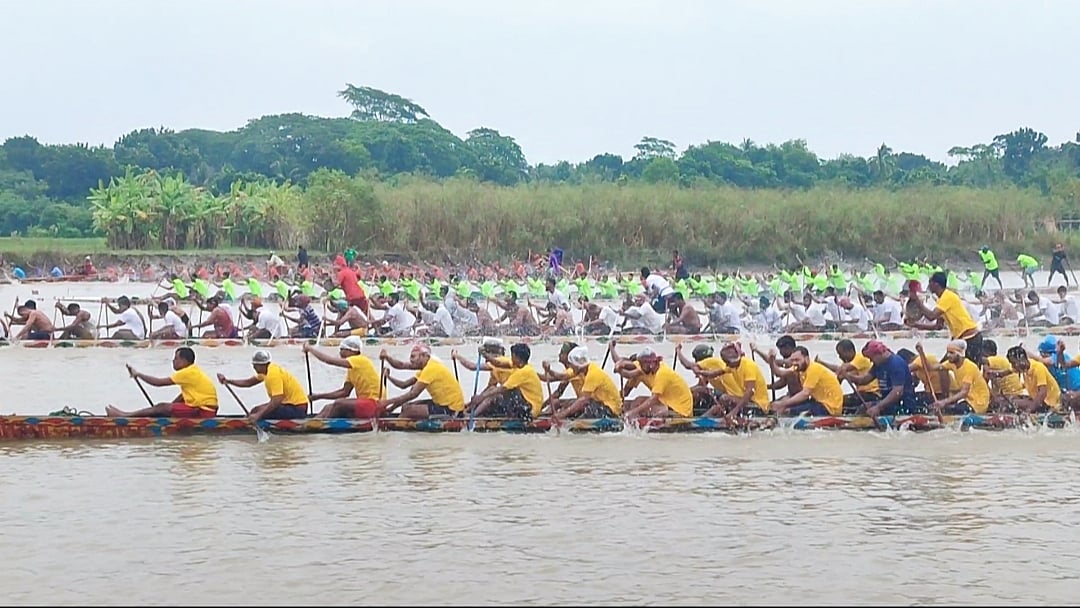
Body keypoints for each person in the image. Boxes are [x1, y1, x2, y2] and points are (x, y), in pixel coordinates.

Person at [105, 347, 218, 418]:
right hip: (204, 408)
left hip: (203, 411)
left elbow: (158, 383)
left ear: (184, 361)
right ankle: (127, 414)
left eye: (176, 358)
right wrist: (169, 408)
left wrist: (138, 374)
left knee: (162, 407)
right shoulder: (193, 371)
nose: (173, 361)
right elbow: (184, 395)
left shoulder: (188, 372)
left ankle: (125, 416)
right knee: (163, 408)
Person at [217, 350, 310, 422]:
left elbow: (276, 401)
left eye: (255, 365)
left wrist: (259, 415)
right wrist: (228, 381)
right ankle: (248, 420)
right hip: (288, 405)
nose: (254, 367)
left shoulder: (273, 374)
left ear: (262, 365)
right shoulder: (267, 371)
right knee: (255, 410)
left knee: (258, 412)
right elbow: (248, 383)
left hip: (297, 409)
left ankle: (250, 423)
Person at [379, 344, 466, 419]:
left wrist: (388, 402)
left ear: (425, 356)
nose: (411, 360)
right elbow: (403, 382)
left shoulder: (431, 368)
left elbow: (413, 394)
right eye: (410, 357)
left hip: (452, 409)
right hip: (441, 403)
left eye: (413, 356)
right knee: (405, 407)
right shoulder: (425, 368)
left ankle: (395, 429)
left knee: (409, 411)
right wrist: (387, 359)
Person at [911, 271, 982, 363]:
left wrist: (917, 300)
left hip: (970, 338)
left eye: (930, 282)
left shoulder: (947, 296)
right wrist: (916, 325)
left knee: (964, 370)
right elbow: (938, 326)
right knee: (943, 366)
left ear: (936, 284)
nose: (928, 285)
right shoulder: (941, 300)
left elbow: (931, 316)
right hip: (961, 340)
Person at [304, 338, 383, 418]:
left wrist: (310, 349)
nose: (340, 353)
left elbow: (329, 360)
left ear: (352, 351)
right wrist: (318, 396)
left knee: (339, 403)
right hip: (365, 404)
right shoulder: (352, 369)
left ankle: (319, 426)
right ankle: (313, 423)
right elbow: (344, 392)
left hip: (375, 403)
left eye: (342, 349)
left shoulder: (360, 360)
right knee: (328, 407)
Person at [469, 343, 545, 419]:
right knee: (494, 394)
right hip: (527, 404)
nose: (511, 358)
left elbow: (502, 388)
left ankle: (473, 416)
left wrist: (480, 397)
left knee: (495, 391)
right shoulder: (519, 365)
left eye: (512, 356)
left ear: (518, 358)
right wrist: (485, 354)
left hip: (530, 410)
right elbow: (498, 363)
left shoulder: (523, 371)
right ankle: (474, 411)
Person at [843, 340, 916, 417]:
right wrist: (848, 376)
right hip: (887, 403)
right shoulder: (878, 364)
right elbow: (864, 380)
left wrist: (878, 407)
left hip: (902, 405)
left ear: (878, 354)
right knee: (863, 408)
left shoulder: (896, 364)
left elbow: (897, 392)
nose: (871, 361)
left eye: (871, 358)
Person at [548, 346, 623, 421]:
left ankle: (575, 424)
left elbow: (583, 400)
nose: (570, 367)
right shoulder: (581, 370)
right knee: (574, 405)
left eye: (571, 364)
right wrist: (548, 370)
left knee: (583, 405)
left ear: (577, 365)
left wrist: (563, 414)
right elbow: (561, 377)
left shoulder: (593, 373)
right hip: (600, 404)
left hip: (611, 411)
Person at [768, 346, 843, 417]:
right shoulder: (798, 367)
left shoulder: (814, 369)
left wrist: (782, 404)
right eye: (792, 360)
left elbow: (805, 394)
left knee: (787, 410)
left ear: (807, 359)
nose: (794, 363)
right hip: (817, 402)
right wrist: (771, 360)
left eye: (797, 360)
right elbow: (779, 373)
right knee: (787, 406)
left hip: (830, 408)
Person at [923, 340, 991, 415]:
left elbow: (963, 393)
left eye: (952, 353)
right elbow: (931, 368)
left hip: (978, 403)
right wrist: (921, 353)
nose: (948, 355)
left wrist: (944, 402)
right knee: (936, 409)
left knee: (946, 411)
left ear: (960, 354)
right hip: (967, 400)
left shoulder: (969, 367)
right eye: (948, 352)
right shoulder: (952, 364)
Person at [622, 349, 694, 418]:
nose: (639, 367)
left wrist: (634, 412)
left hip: (680, 410)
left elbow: (653, 399)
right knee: (638, 401)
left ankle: (634, 422)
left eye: (641, 365)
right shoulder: (643, 369)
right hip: (666, 403)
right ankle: (631, 419)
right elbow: (625, 391)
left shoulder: (662, 373)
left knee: (643, 408)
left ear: (651, 364)